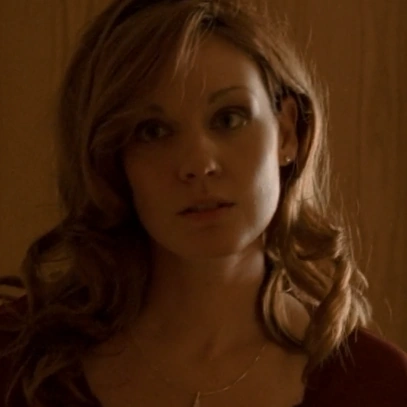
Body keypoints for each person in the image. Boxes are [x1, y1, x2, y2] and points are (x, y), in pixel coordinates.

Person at [1, 0, 406, 406]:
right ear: (111, 160)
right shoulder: (16, 360)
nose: (198, 164)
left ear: (286, 133)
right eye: (154, 131)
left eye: (229, 119)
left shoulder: (380, 386)